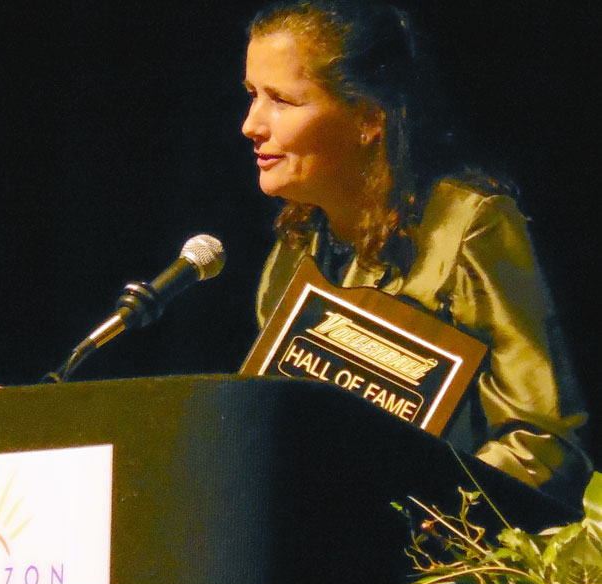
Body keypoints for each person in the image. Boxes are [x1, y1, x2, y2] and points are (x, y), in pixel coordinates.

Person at [242, 0, 592, 503]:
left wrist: (419, 508)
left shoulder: (471, 226)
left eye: (281, 100)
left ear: (368, 118)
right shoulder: (295, 251)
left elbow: (543, 447)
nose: (251, 124)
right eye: (252, 94)